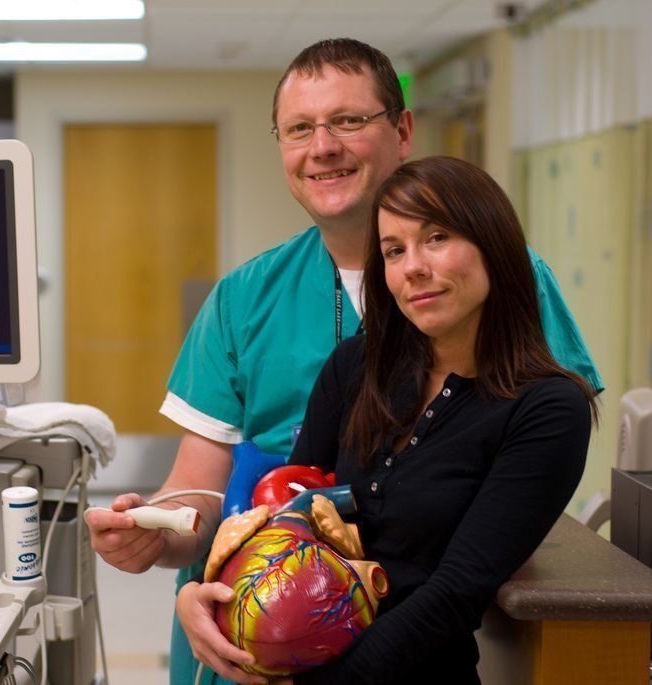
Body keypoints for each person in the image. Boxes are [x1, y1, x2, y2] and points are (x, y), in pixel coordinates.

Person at [86, 38, 602, 685]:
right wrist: (165, 544)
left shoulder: (517, 291)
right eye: (300, 128)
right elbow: (208, 489)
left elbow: (514, 497)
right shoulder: (254, 304)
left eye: (349, 120)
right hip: (253, 619)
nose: (323, 146)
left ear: (402, 130)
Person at [176, 156, 597, 684]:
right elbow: (287, 526)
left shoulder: (548, 409)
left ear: (495, 245)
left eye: (437, 238)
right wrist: (200, 597)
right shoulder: (355, 367)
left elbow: (457, 592)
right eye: (394, 250)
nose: (413, 267)